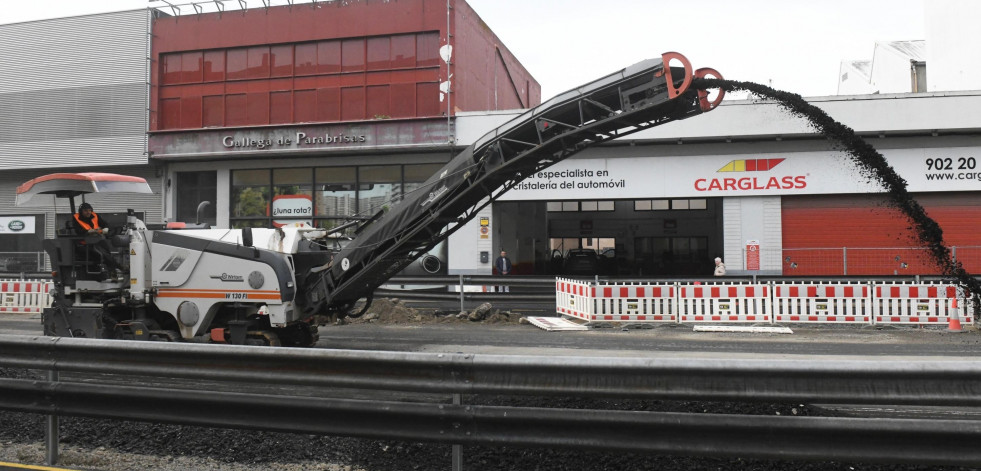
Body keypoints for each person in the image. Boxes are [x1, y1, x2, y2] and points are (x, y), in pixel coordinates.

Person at [72, 202, 122, 276]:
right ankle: (119, 268)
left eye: (89, 210)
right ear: (81, 211)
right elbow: (78, 231)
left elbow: (104, 224)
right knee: (103, 253)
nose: (88, 212)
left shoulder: (95, 215)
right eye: (85, 211)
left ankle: (114, 272)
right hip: (85, 243)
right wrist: (89, 231)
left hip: (97, 239)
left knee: (106, 252)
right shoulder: (76, 218)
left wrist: (106, 228)